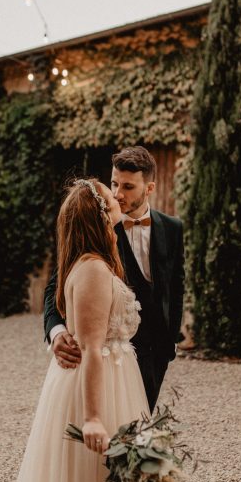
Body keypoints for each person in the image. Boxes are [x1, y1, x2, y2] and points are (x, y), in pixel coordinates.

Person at [9, 179, 169, 482]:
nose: (119, 199)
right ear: (99, 214)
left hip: (116, 379)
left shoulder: (90, 261)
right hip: (101, 384)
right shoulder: (94, 268)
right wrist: (94, 418)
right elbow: (93, 348)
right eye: (112, 195)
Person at [44, 146, 185, 412]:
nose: (118, 194)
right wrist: (57, 331)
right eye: (114, 183)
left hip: (158, 350)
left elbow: (176, 286)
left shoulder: (173, 228)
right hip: (115, 355)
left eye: (129, 187)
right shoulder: (98, 226)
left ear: (150, 188)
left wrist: (171, 340)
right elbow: (56, 285)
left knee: (141, 430)